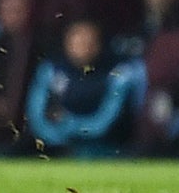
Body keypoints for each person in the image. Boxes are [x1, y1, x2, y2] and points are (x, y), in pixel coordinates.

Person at [25, 17, 146, 157]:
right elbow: (36, 116)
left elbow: (104, 122)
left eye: (89, 41)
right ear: (67, 42)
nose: (83, 46)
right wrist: (56, 138)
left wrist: (68, 125)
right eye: (78, 40)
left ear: (99, 44)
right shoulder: (51, 69)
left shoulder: (119, 73)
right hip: (54, 145)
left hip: (106, 147)